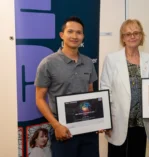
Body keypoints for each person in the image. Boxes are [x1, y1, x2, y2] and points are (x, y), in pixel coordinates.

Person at [34, 16, 99, 157]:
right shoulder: (48, 63)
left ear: (83, 36)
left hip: (88, 129)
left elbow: (90, 92)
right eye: (70, 31)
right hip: (63, 130)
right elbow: (39, 99)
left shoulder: (88, 62)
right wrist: (56, 125)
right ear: (62, 35)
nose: (75, 36)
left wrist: (98, 120)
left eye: (79, 32)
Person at [100, 19, 149, 157]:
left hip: (141, 122)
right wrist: (106, 121)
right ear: (123, 38)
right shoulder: (111, 59)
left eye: (136, 33)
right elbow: (105, 91)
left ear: (141, 36)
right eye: (128, 34)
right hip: (117, 121)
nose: (133, 36)